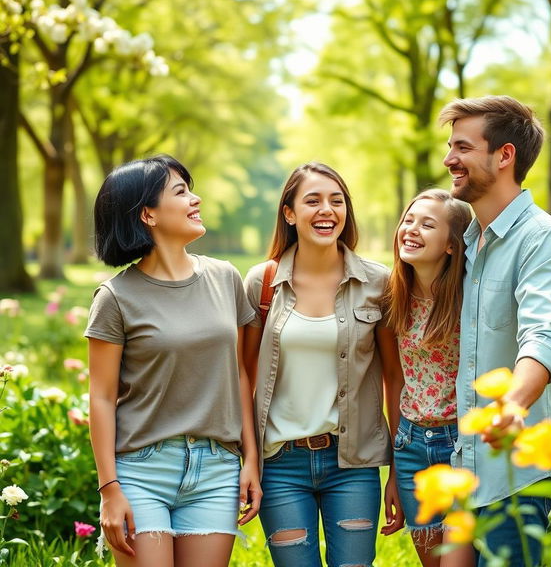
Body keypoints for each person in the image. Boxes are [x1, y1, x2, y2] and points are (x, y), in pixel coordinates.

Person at [85, 155, 261, 567]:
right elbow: (101, 397)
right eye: (180, 192)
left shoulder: (225, 278)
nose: (195, 199)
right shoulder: (115, 297)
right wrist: (109, 488)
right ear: (147, 213)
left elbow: (239, 373)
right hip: (141, 471)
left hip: (216, 469)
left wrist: (250, 458)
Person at [439, 96, 551, 566]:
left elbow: (543, 335)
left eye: (462, 147)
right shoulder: (472, 241)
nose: (449, 160)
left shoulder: (542, 239)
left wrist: (511, 405)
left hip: (516, 472)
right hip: (468, 464)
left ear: (504, 156)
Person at [242, 162, 405, 567]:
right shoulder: (261, 284)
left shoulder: (378, 283)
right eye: (312, 200)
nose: (326, 210)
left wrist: (399, 474)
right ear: (289, 213)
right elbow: (242, 376)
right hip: (280, 465)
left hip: (351, 464)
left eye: (337, 201)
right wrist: (249, 460)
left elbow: (394, 378)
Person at [384, 189, 475, 567]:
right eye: (409, 220)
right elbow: (393, 378)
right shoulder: (393, 297)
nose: (411, 229)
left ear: (452, 245)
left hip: (461, 445)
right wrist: (393, 469)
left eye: (427, 224)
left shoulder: (471, 297)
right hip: (411, 446)